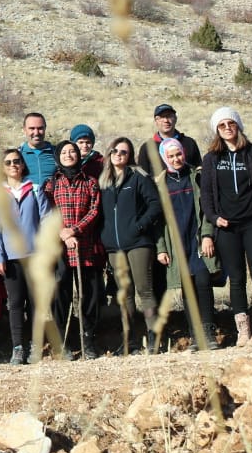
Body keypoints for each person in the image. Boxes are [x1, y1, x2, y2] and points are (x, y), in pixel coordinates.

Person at [202, 108, 252, 347]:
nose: (227, 128)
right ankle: (243, 330)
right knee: (236, 278)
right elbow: (206, 195)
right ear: (216, 130)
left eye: (230, 123)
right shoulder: (212, 158)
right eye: (221, 125)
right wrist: (214, 218)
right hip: (227, 227)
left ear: (238, 125)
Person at [97, 137, 163, 354]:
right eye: (115, 151)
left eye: (123, 152)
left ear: (130, 155)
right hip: (114, 247)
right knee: (125, 294)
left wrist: (140, 226)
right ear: (109, 153)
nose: (118, 155)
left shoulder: (138, 177)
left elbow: (155, 204)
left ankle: (154, 337)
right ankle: (130, 341)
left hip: (138, 243)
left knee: (145, 290)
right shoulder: (103, 181)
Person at [0, 148, 53, 365]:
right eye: (8, 162)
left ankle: (35, 345)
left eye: (16, 161)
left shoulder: (35, 189)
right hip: (11, 258)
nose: (13, 165)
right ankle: (17, 347)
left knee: (35, 303)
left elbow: (46, 220)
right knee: (15, 303)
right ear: (2, 168)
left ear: (23, 164)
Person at [155, 138, 219, 350]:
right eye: (171, 156)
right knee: (187, 288)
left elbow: (207, 208)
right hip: (177, 244)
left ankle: (209, 332)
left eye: (178, 154)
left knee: (203, 281)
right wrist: (161, 249)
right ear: (165, 158)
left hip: (197, 238)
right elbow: (158, 221)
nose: (176, 159)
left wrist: (208, 235)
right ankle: (195, 335)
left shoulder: (197, 176)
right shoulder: (160, 184)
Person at [47, 139, 104, 359]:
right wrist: (62, 232)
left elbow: (95, 210)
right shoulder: (52, 183)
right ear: (58, 157)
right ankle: (62, 343)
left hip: (85, 246)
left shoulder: (90, 182)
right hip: (60, 248)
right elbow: (48, 210)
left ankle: (88, 340)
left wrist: (74, 230)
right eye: (64, 152)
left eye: (72, 152)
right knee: (60, 295)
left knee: (88, 295)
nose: (69, 155)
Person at [136, 104, 202, 175]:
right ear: (155, 121)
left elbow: (198, 169)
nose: (166, 120)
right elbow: (142, 177)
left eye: (169, 116)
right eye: (161, 117)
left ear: (175, 119)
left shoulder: (189, 143)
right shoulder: (147, 147)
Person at [18, 113, 58, 190]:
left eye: (40, 128)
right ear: (24, 130)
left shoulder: (58, 153)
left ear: (45, 128)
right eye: (32, 128)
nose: (36, 133)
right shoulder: (17, 155)